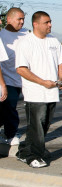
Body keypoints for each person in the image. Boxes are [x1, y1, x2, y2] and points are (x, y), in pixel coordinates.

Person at [15, 11, 62, 168]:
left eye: (50, 22)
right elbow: (21, 69)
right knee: (36, 126)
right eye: (47, 22)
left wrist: (61, 77)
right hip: (35, 93)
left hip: (52, 92)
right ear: (35, 24)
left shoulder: (54, 41)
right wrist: (42, 82)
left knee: (44, 125)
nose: (50, 25)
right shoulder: (25, 42)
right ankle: (34, 156)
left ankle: (24, 151)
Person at [0, 7, 28, 146]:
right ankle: (11, 134)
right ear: (9, 19)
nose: (22, 22)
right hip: (8, 79)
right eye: (19, 19)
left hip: (26, 79)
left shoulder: (27, 34)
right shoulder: (2, 36)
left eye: (23, 19)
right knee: (9, 106)